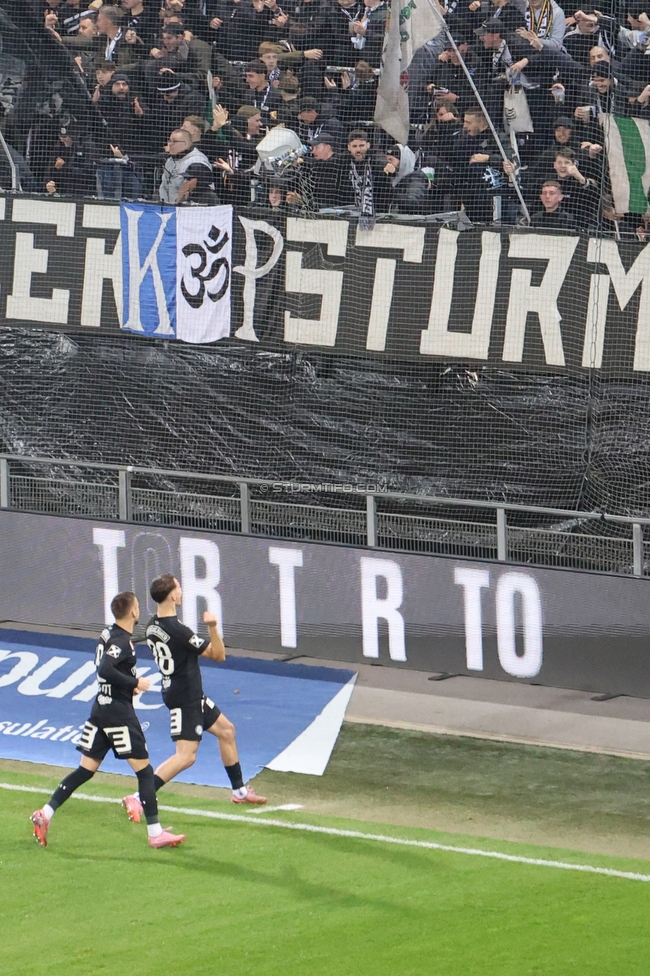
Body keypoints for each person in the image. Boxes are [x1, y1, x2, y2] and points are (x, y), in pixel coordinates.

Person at [30, 592, 185, 850]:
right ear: (133, 612)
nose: (139, 609)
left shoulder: (107, 633)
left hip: (101, 707)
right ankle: (155, 832)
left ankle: (45, 813)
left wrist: (125, 685)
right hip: (117, 713)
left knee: (85, 770)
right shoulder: (122, 642)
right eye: (137, 606)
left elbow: (106, 669)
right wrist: (135, 682)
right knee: (146, 773)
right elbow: (105, 669)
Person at [124, 574, 267, 812]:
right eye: (178, 587)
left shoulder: (152, 626)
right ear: (172, 595)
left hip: (185, 692)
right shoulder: (179, 631)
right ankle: (140, 796)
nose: (181, 591)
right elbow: (219, 656)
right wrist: (212, 627)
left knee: (227, 731)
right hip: (185, 697)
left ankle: (239, 791)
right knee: (186, 756)